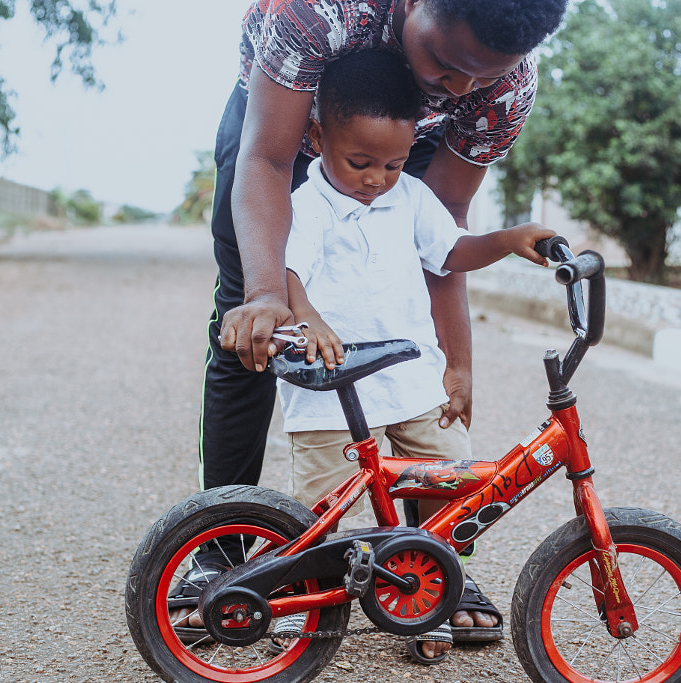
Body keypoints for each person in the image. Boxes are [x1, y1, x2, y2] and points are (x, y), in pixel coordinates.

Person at [184, 0, 570, 658]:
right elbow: (269, 161)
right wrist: (268, 296)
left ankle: (429, 568)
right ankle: (220, 553)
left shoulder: (501, 89)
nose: (459, 88)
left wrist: (456, 360)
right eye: (446, 62)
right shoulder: (319, 14)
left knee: (432, 450)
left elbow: (443, 228)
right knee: (251, 329)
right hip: (277, 126)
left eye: (482, 76)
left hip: (396, 135)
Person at [275, 49, 556, 662]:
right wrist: (307, 316)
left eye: (394, 163)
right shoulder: (306, 204)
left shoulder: (410, 197)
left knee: (452, 487)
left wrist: (508, 239)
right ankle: (296, 599)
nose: (377, 178)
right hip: (333, 390)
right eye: (360, 163)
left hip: (413, 383)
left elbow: (450, 253)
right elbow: (288, 268)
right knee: (317, 513)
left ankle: (431, 591)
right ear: (318, 137)